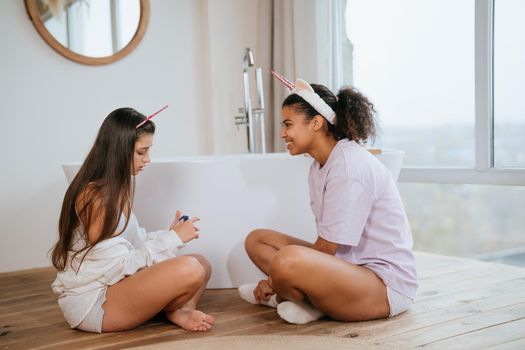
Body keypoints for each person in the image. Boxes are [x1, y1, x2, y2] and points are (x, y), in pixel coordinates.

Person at [239, 75, 418, 324]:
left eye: (288, 124)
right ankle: (311, 304)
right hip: (348, 271)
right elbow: (328, 251)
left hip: (383, 285)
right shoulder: (320, 166)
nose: (282, 133)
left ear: (316, 123)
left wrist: (273, 282)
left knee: (286, 261)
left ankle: (285, 298)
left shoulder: (348, 165)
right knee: (258, 240)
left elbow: (327, 249)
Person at [51, 107, 214, 333]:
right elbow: (115, 267)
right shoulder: (95, 197)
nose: (148, 159)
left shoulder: (117, 187)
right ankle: (174, 310)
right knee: (191, 269)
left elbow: (132, 244)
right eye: (141, 152)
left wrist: (169, 234)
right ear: (119, 150)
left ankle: (180, 311)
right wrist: (171, 239)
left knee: (202, 263)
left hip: (116, 285)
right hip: (96, 301)